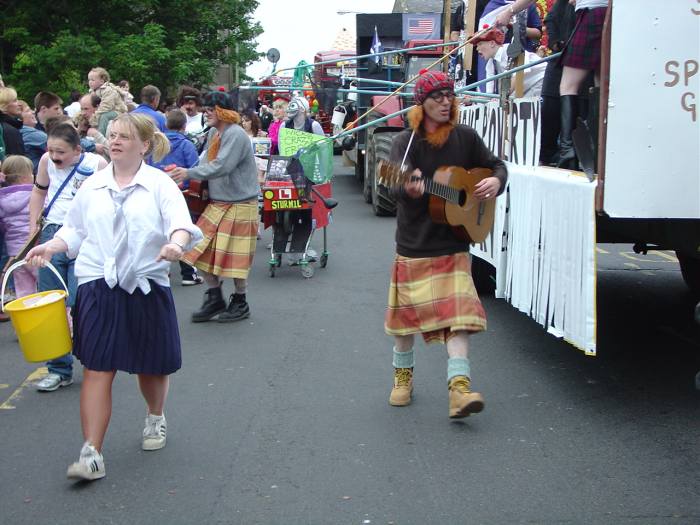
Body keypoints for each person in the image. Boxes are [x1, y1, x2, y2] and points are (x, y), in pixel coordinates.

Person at [25, 113, 202, 481]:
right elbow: (74, 230)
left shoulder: (159, 185)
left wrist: (175, 244)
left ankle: (155, 416)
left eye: (124, 136)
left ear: (144, 145)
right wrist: (50, 246)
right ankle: (91, 452)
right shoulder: (93, 185)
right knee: (97, 366)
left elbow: (182, 225)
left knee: (151, 364)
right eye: (112, 135)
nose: (115, 140)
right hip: (97, 281)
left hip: (145, 283)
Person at [385, 70, 507, 418]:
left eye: (448, 95)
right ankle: (403, 380)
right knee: (404, 324)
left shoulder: (465, 138)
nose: (444, 101)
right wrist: (406, 189)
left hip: (453, 245)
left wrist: (496, 182)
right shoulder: (404, 143)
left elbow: (495, 165)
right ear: (420, 104)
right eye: (436, 96)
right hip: (414, 245)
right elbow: (393, 185)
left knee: (460, 318)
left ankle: (460, 391)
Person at [28, 123, 108, 392]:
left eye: (60, 151)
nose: (53, 156)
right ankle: (58, 370)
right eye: (50, 150)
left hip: (84, 238)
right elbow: (39, 191)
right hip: (52, 232)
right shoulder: (44, 161)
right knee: (50, 306)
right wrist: (33, 228)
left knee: (79, 301)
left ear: (77, 150)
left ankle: (93, 364)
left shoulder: (97, 164)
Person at [169, 92, 260, 323]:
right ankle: (215, 297)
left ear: (223, 111)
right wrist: (185, 178)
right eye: (205, 109)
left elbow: (222, 166)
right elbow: (204, 163)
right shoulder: (213, 133)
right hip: (219, 203)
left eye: (211, 109)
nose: (205, 113)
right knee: (197, 250)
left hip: (240, 203)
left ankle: (241, 301)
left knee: (235, 261)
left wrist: (188, 173)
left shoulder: (236, 134)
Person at [152, 109, 202, 287]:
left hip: (157, 193)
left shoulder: (156, 144)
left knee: (159, 231)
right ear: (184, 126)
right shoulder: (187, 145)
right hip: (182, 194)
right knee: (184, 231)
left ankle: (159, 271)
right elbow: (194, 168)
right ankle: (188, 273)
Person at [556, 0, 609, 169]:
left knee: (568, 86)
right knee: (601, 85)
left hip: (592, 13)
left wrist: (510, 10)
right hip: (610, 14)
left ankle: (568, 151)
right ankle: (598, 151)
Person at [0, 155, 37, 298]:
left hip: (15, 254)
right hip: (35, 249)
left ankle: (27, 318)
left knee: (24, 292)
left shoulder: (2, 200)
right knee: (47, 288)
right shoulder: (35, 194)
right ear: (24, 178)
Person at [473, 27, 546, 97]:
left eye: (480, 44)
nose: (477, 48)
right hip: (526, 88)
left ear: (492, 43)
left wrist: (502, 96)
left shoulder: (512, 50)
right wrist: (473, 99)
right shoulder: (490, 65)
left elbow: (519, 74)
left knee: (523, 107)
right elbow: (489, 94)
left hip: (540, 80)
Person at [87, 67, 127, 135]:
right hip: (103, 110)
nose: (90, 82)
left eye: (92, 80)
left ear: (102, 81)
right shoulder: (92, 91)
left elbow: (106, 106)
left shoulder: (108, 90)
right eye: (89, 80)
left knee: (104, 116)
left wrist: (94, 117)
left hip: (117, 111)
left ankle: (100, 135)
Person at [17, 100, 47, 172]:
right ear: (19, 118)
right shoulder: (32, 134)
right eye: (27, 111)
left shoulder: (18, 132)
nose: (33, 112)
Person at [0, 86, 26, 157]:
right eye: (15, 100)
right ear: (4, 105)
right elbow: (18, 163)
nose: (19, 104)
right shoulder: (10, 131)